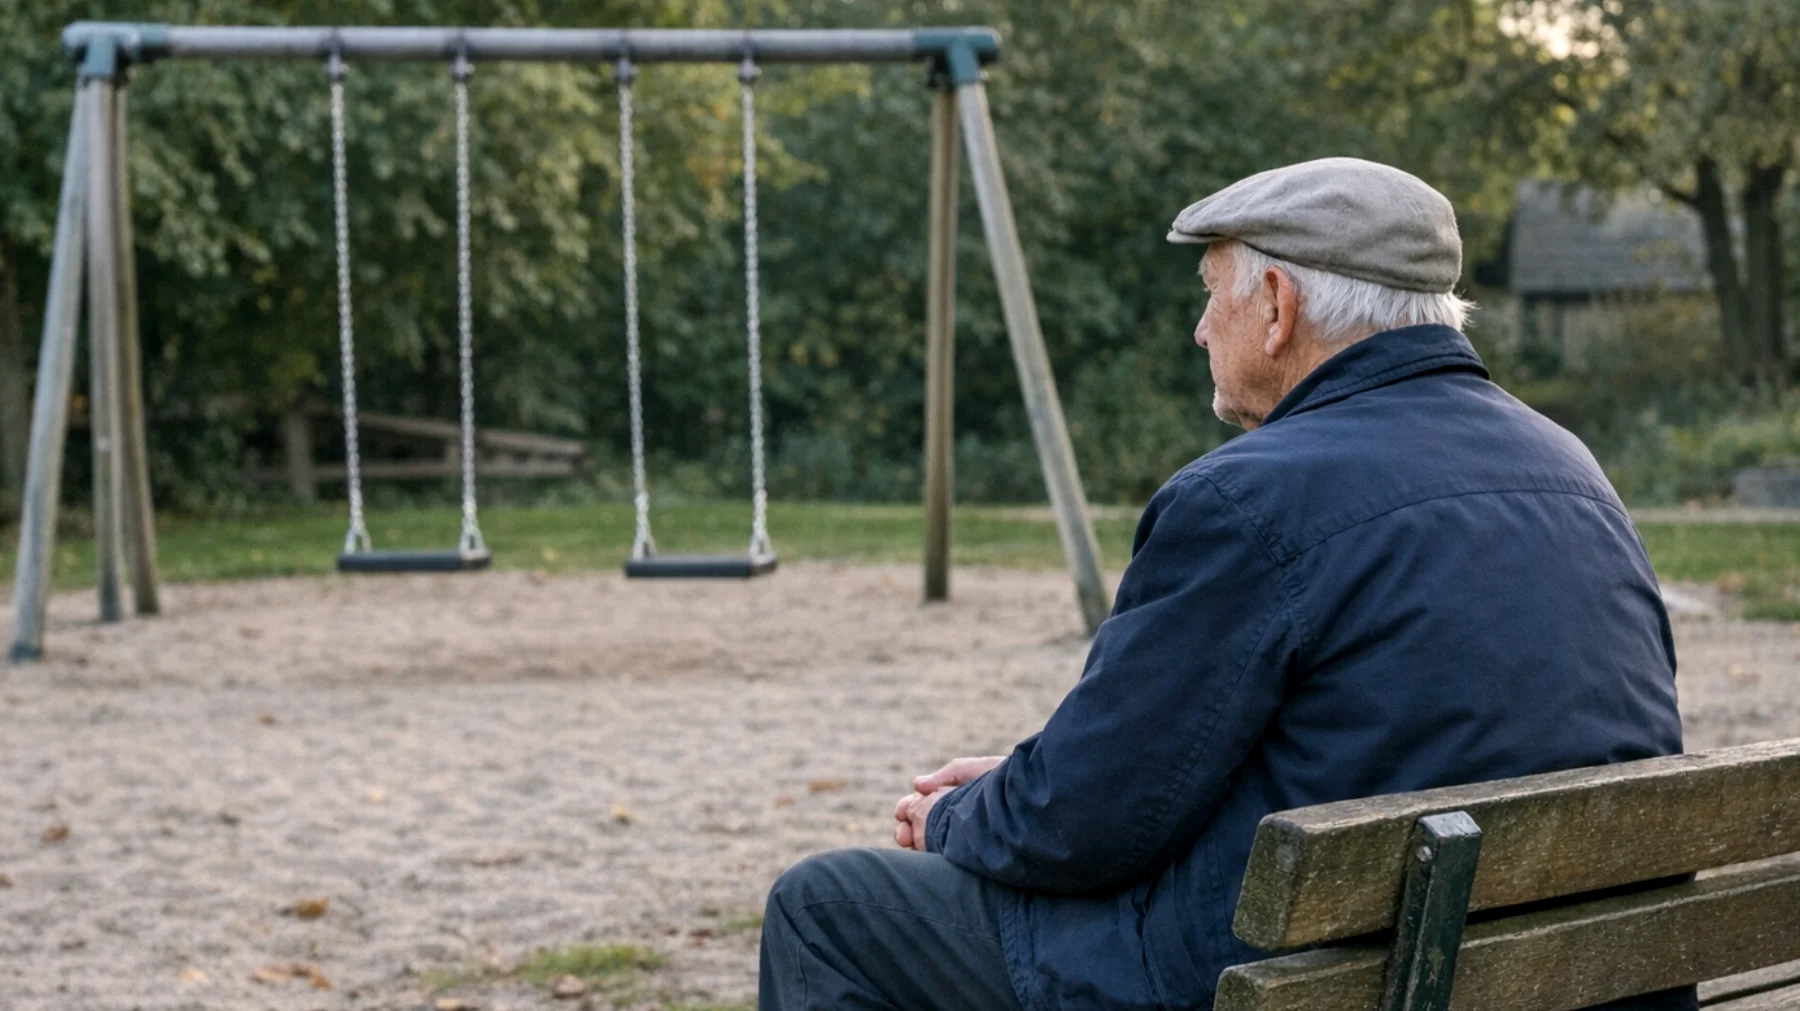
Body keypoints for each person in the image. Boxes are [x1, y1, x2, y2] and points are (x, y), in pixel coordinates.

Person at [756, 157, 1690, 1011]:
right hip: (1574, 979)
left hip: (1315, 981)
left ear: (1277, 305)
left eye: (1213, 295)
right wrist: (1026, 779)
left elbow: (1088, 823)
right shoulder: (1572, 472)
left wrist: (960, 811)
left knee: (828, 906)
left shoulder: (1246, 499)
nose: (1202, 328)